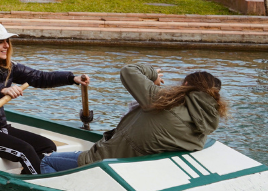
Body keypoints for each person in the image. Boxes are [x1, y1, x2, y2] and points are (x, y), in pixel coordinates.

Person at [0, 21, 89, 175]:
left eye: (7, 41)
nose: (6, 45)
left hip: (0, 127)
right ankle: (40, 184)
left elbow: (39, 77)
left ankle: (30, 180)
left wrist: (71, 79)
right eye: (0, 42)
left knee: (47, 146)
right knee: (25, 150)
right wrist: (3, 89)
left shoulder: (7, 67)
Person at [42, 66, 226, 174]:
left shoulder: (163, 101)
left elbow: (129, 71)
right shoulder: (204, 125)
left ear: (185, 86)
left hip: (107, 161)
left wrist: (152, 74)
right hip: (135, 169)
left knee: (46, 161)